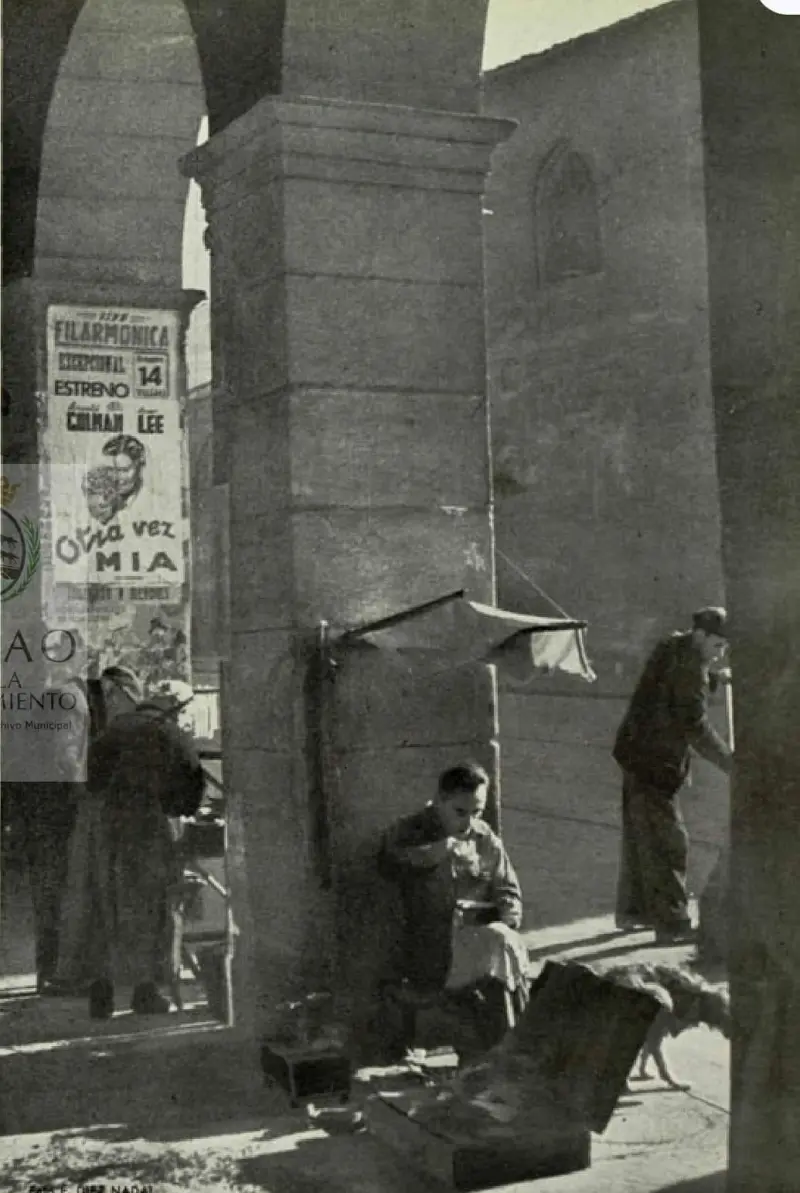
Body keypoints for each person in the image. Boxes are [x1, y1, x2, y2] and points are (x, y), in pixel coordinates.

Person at [56, 670, 205, 1019]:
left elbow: (88, 780)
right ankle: (145, 993)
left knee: (104, 909)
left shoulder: (114, 730)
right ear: (176, 707)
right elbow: (189, 798)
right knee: (152, 912)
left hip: (105, 833)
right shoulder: (174, 735)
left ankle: (101, 995)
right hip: (149, 835)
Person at [378, 762, 529, 1054]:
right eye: (460, 812)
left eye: (478, 811)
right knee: (502, 953)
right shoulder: (412, 830)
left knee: (503, 945)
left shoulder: (484, 838)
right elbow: (389, 862)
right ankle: (512, 1054)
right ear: (439, 801)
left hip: (477, 942)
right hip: (429, 949)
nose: (469, 821)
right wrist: (438, 851)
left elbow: (508, 890)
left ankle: (503, 1055)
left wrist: (507, 914)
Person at [613, 607, 734, 944]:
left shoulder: (673, 645)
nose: (720, 653)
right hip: (654, 762)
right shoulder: (691, 666)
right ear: (702, 635)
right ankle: (672, 923)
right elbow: (694, 724)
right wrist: (729, 762)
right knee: (669, 842)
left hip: (635, 752)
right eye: (719, 646)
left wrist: (713, 677)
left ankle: (634, 912)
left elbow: (670, 683)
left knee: (642, 834)